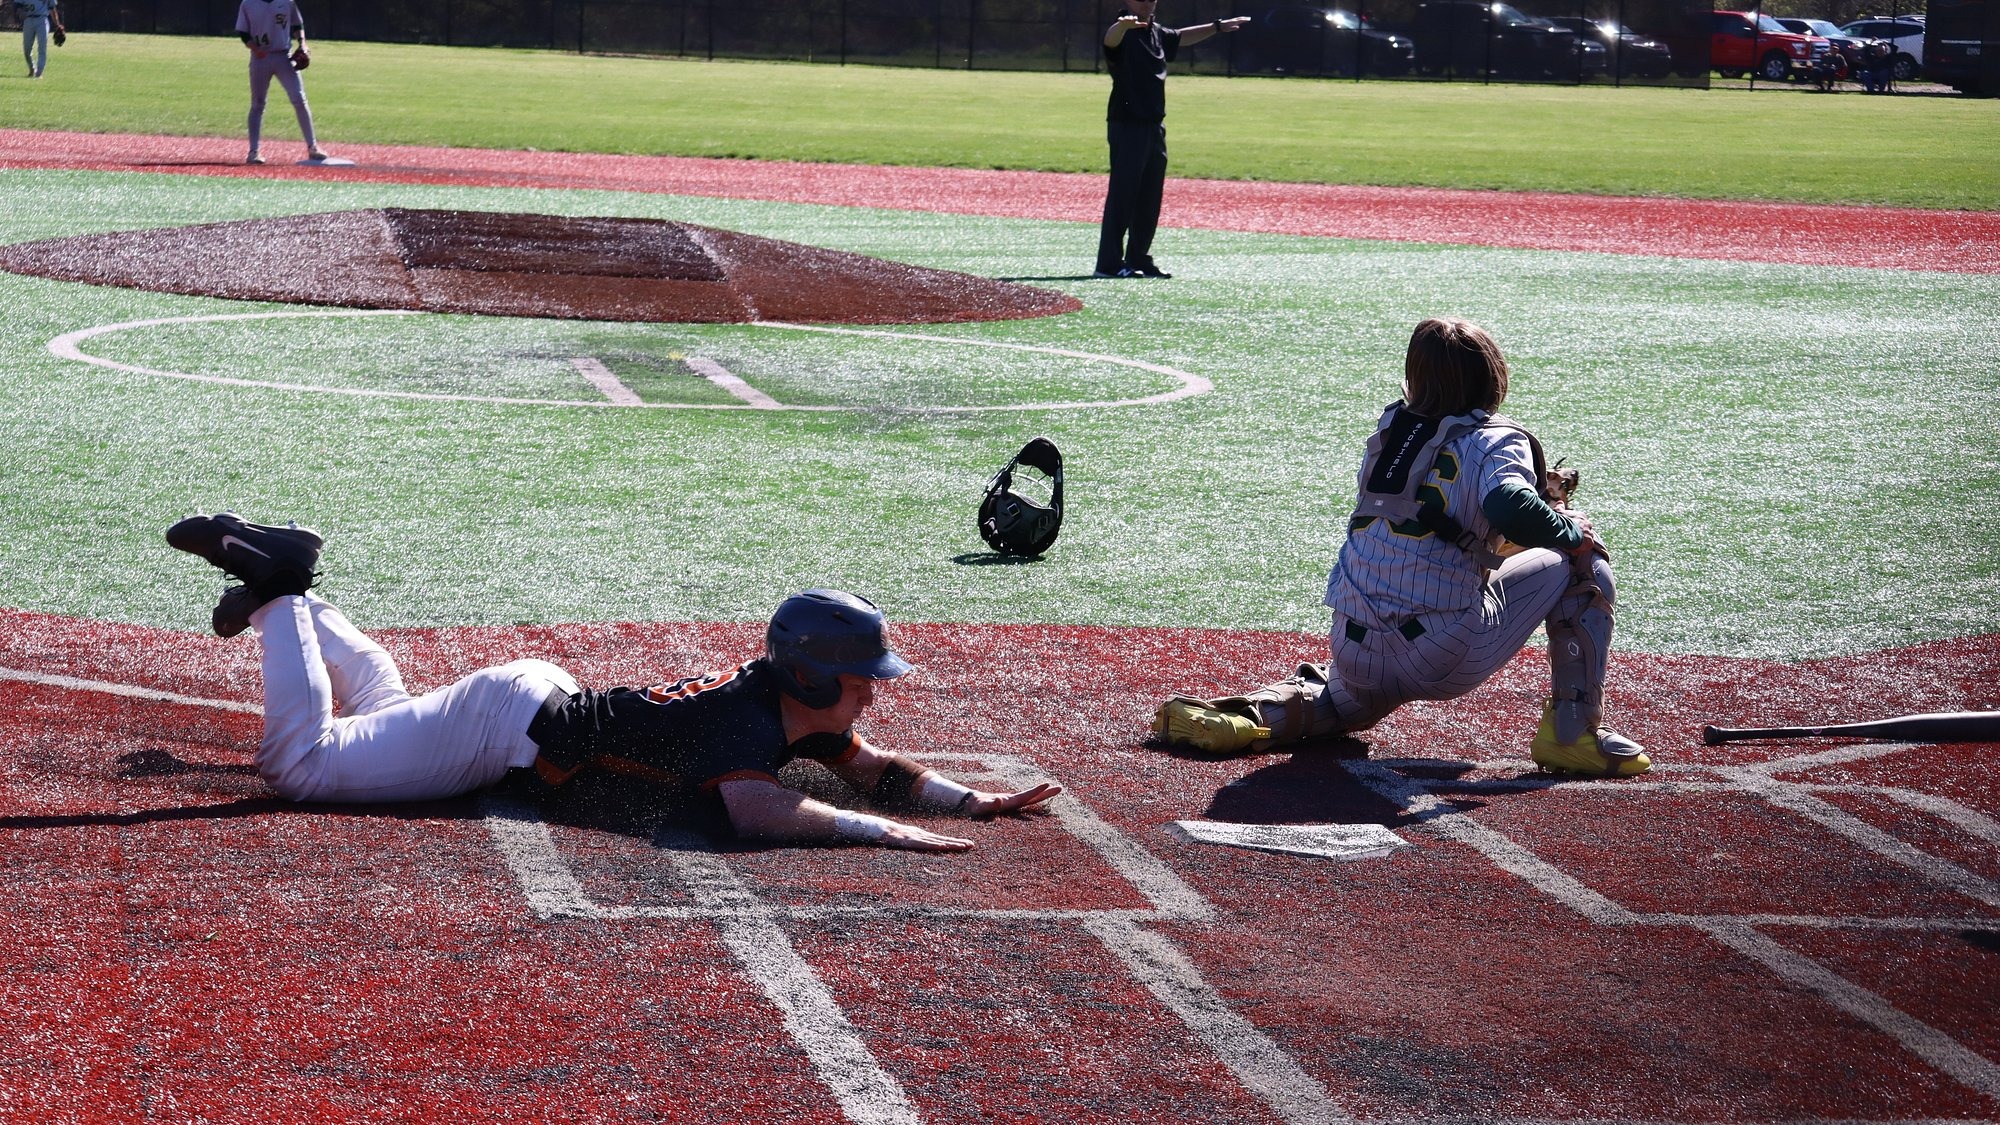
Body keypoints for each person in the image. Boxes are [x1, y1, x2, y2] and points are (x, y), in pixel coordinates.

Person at [165, 513, 1061, 850]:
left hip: (522, 704)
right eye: (862, 676)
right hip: (505, 729)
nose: (874, 689)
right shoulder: (747, 726)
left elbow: (873, 766)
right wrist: (890, 835)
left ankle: (299, 605)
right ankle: (282, 597)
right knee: (301, 770)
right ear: (812, 672)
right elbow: (762, 814)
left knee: (391, 715)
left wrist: (972, 801)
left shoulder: (785, 706)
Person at [1152, 318, 1650, 777]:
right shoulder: (1497, 439)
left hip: (1354, 645)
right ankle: (1572, 734)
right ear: (1492, 374)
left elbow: (1453, 526)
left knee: (1351, 701)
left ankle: (1250, 718)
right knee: (1581, 554)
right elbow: (1508, 507)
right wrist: (1567, 526)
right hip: (1441, 652)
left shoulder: (1391, 429)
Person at [1094, 0, 1248, 279]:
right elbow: (1110, 41)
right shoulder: (1124, 30)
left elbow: (1180, 36)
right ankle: (1108, 264)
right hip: (1128, 124)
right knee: (1123, 194)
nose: (1148, 2)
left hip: (1154, 125)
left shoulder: (1154, 31)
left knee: (1150, 196)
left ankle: (1138, 257)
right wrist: (1122, 26)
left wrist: (1216, 28)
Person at [235, 0, 329, 165]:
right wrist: (256, 49)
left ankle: (313, 147)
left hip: (284, 57)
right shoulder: (248, 3)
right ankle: (253, 152)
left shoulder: (287, 2)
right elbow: (243, 33)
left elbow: (297, 25)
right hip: (259, 59)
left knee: (299, 99)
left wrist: (303, 44)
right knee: (257, 103)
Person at [17, 0, 62, 79]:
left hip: (42, 20)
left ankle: (39, 73)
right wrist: (20, 14)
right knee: (27, 49)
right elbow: (18, 6)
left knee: (42, 48)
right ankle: (32, 68)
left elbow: (52, 8)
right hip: (28, 20)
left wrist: (57, 25)